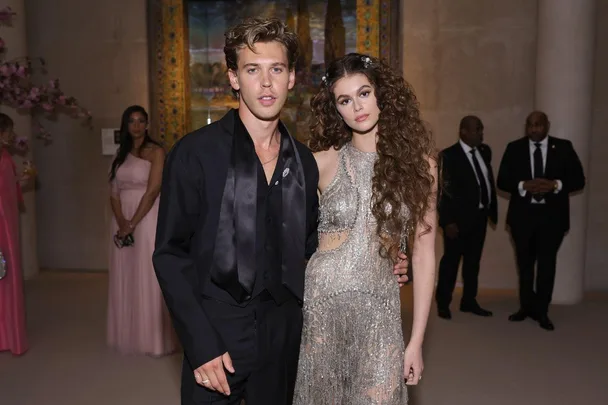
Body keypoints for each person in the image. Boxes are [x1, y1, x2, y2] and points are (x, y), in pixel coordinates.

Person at [152, 19, 409, 405]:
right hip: (216, 335)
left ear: (291, 78)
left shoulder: (305, 162)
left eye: (277, 69)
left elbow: (317, 244)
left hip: (286, 337)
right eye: (253, 70)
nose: (266, 82)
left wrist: (384, 258)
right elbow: (170, 255)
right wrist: (200, 343)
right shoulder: (194, 154)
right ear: (234, 78)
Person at [293, 53, 437, 404]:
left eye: (364, 93)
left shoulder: (421, 167)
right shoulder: (322, 162)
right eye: (345, 99)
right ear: (335, 109)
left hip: (380, 312)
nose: (357, 107)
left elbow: (424, 255)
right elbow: (288, 236)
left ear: (382, 95)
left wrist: (416, 341)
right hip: (322, 309)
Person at [497, 111, 585, 331]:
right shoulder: (514, 148)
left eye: (538, 125)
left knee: (547, 265)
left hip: (552, 219)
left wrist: (555, 185)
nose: (534, 129)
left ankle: (542, 311)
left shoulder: (563, 147)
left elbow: (578, 179)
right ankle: (526, 307)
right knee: (525, 266)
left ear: (548, 125)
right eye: (530, 125)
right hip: (522, 219)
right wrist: (522, 186)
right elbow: (502, 180)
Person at [106, 105, 177, 356]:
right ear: (126, 125)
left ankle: (153, 340)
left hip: (146, 219)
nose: (136, 126)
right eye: (131, 121)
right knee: (126, 273)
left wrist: (133, 223)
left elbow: (154, 189)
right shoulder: (120, 153)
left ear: (147, 125)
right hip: (122, 220)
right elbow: (113, 192)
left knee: (148, 273)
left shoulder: (156, 151)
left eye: (141, 121)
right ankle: (129, 333)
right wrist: (122, 222)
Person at [435, 115, 497, 319]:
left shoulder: (484, 151)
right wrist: (447, 221)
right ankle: (443, 303)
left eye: (481, 129)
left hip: (479, 218)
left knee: (473, 263)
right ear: (463, 131)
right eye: (476, 130)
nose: (480, 133)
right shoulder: (448, 156)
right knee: (451, 263)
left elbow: (484, 180)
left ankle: (469, 301)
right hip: (457, 222)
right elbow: (442, 192)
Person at [0, 113, 30, 356]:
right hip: (2, 226)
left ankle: (8, 335)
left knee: (6, 275)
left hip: (7, 221)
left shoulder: (5, 156)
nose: (11, 135)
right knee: (3, 274)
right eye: (8, 130)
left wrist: (22, 179)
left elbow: (8, 183)